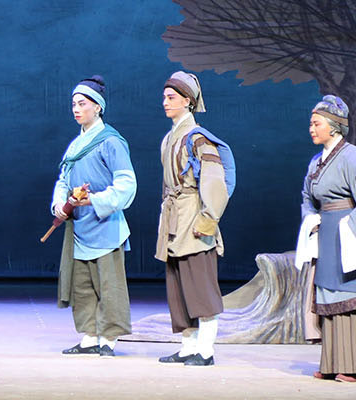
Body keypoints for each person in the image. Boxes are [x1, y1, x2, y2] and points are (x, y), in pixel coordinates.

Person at [296, 95, 356, 382]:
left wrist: (354, 230)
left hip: (349, 234)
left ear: (334, 126)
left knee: (354, 296)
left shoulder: (352, 156)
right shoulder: (316, 162)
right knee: (330, 296)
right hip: (327, 236)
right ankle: (334, 362)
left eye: (316, 124)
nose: (311, 129)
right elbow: (307, 197)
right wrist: (311, 218)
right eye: (311, 124)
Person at [51, 76, 136, 358]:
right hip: (81, 227)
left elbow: (126, 184)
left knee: (109, 286)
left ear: (98, 107)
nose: (76, 109)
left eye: (82, 104)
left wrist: (95, 200)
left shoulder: (111, 141)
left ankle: (108, 339)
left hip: (106, 225)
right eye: (74, 104)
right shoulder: (76, 145)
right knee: (83, 285)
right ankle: (89, 337)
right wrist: (60, 204)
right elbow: (63, 180)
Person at [155, 71, 230, 367]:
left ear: (187, 101)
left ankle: (206, 350)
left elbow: (214, 181)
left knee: (200, 284)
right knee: (178, 285)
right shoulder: (169, 138)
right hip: (175, 215)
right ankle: (188, 346)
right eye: (164, 97)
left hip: (194, 214)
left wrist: (208, 219)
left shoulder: (198, 138)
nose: (165, 102)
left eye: (171, 97)